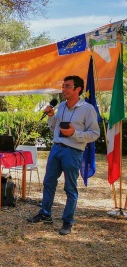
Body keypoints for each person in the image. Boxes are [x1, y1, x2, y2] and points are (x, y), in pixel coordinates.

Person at [27, 75, 100, 235]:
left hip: (73, 152)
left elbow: (95, 133)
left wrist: (75, 133)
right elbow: (55, 129)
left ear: (78, 89)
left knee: (70, 188)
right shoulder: (61, 106)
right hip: (56, 149)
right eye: (63, 86)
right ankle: (45, 214)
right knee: (48, 182)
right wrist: (52, 117)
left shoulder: (87, 109)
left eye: (67, 86)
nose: (63, 89)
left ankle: (67, 222)